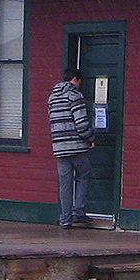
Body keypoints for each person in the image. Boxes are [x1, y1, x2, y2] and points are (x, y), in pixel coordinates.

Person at [48, 68, 94, 228]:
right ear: (75, 79)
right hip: (77, 146)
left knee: (65, 183)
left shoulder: (52, 98)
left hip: (59, 147)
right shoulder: (75, 96)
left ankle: (65, 218)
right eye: (79, 82)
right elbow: (81, 124)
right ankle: (78, 212)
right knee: (83, 175)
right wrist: (90, 138)